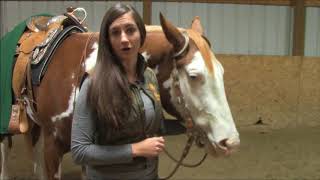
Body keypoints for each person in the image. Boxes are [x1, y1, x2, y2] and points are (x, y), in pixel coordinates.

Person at [71, 3, 165, 180]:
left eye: (130, 30)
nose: (124, 39)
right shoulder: (93, 83)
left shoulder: (149, 76)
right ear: (108, 40)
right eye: (115, 32)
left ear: (141, 34)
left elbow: (152, 126)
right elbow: (79, 151)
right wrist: (135, 149)